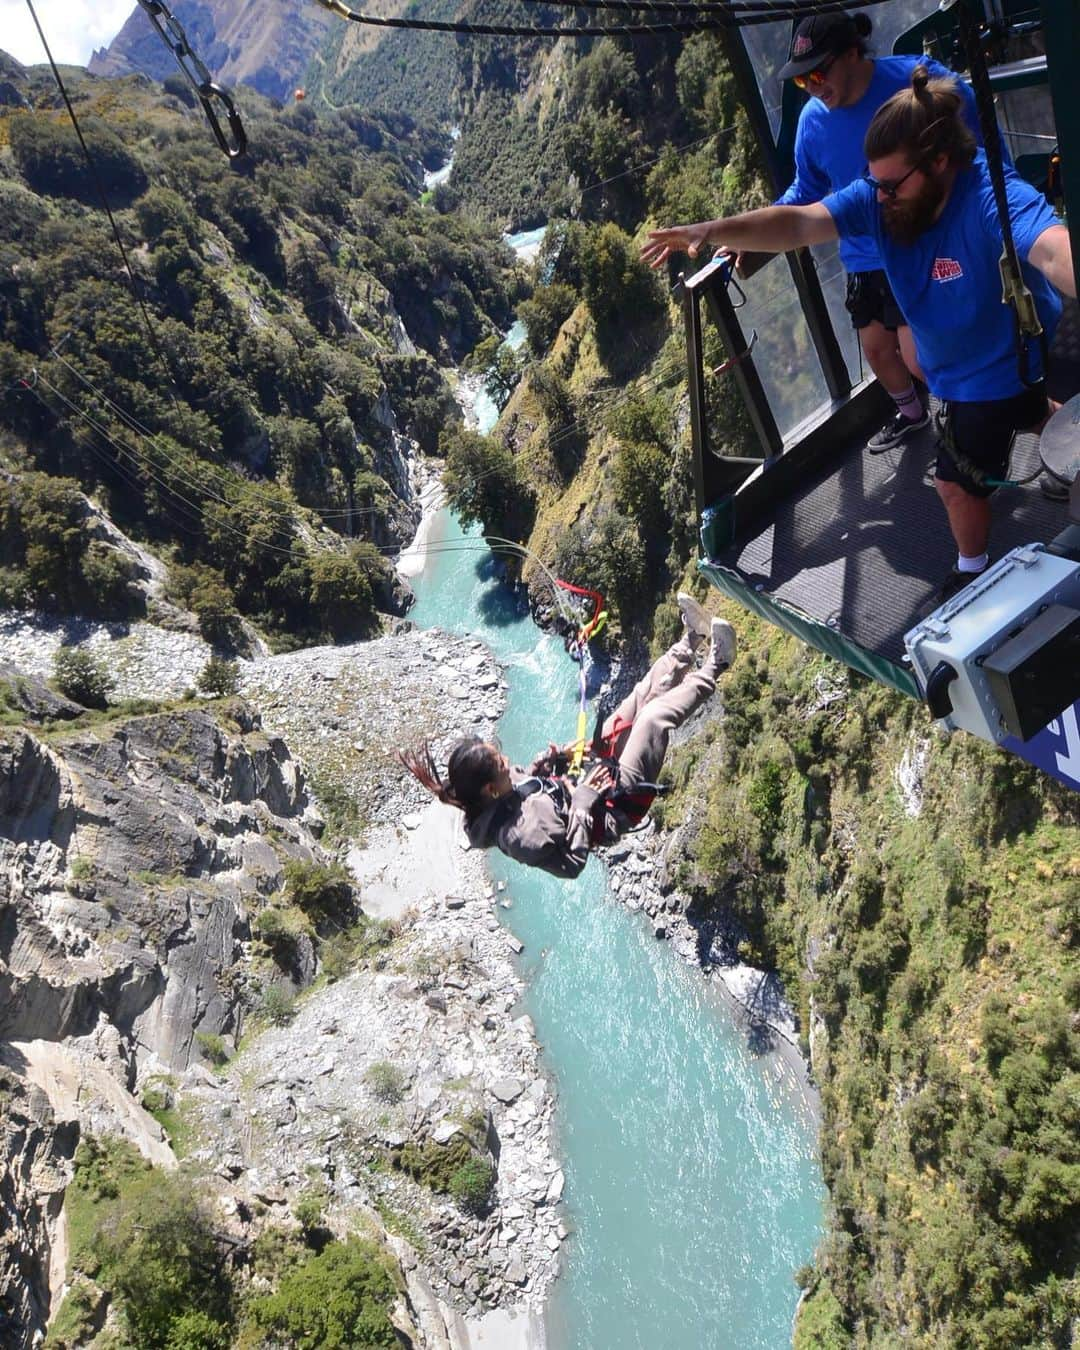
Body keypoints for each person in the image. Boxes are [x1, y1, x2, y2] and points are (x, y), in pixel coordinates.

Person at [642, 68, 1075, 601]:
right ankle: (1065, 452)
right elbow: (799, 223)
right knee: (1032, 414)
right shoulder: (879, 197)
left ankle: (973, 568)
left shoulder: (990, 194)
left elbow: (1054, 249)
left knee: (953, 483)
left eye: (892, 185)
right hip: (974, 369)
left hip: (990, 372)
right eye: (876, 184)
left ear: (940, 162)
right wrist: (712, 230)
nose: (881, 197)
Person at [770, 11, 993, 453]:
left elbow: (967, 112)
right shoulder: (812, 122)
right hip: (863, 254)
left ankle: (975, 420)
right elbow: (807, 187)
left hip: (916, 242)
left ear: (853, 53)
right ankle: (914, 414)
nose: (812, 87)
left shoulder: (909, 81)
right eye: (801, 81)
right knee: (877, 350)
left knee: (918, 356)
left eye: (817, 73)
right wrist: (765, 223)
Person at [399, 597, 736, 879]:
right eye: (500, 763)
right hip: (612, 805)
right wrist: (582, 801)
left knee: (636, 701)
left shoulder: (499, 789)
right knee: (651, 719)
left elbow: (534, 784)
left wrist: (550, 762)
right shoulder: (520, 838)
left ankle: (692, 638)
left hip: (590, 776)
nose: (507, 762)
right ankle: (717, 664)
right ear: (489, 788)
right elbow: (572, 865)